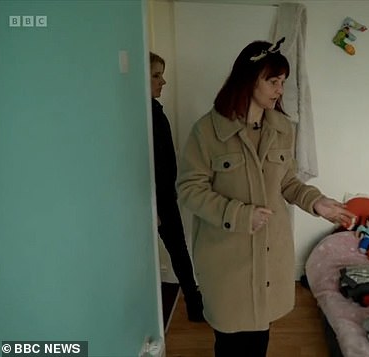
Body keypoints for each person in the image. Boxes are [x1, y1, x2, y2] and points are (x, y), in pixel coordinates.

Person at [176, 39, 355, 356]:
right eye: (272, 81)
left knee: (260, 337)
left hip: (270, 252)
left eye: (282, 82)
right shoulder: (206, 132)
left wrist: (315, 202)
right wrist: (241, 214)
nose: (279, 89)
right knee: (230, 340)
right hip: (227, 258)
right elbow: (190, 190)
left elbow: (286, 181)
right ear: (248, 79)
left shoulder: (282, 128)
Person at [149, 52, 204, 322]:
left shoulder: (154, 111)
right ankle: (194, 305)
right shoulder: (143, 116)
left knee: (180, 252)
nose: (164, 81)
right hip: (156, 200)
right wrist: (154, 207)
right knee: (178, 252)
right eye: (156, 75)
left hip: (164, 197)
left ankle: (194, 304)